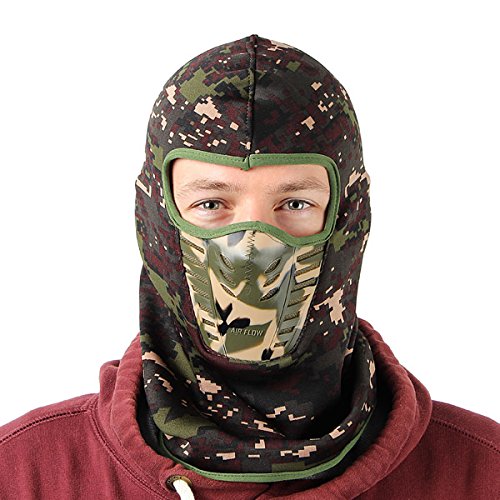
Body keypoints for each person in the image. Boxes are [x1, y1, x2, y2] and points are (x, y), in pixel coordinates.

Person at [0, 33, 498, 500]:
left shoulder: (481, 473)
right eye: (211, 204)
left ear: (349, 217)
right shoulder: (25, 474)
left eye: (296, 204)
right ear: (157, 218)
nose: (250, 252)